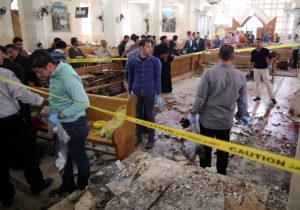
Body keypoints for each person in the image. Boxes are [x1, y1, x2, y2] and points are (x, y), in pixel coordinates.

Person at [29, 50, 90, 197]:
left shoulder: (66, 76)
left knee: (79, 158)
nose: (39, 76)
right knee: (62, 157)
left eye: (39, 71)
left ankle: (82, 188)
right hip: (61, 124)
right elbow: (61, 97)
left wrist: (60, 114)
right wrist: (50, 108)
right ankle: (67, 184)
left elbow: (83, 102)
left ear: (49, 65)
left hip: (73, 125)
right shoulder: (54, 74)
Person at [181, 45, 248, 175]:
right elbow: (243, 101)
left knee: (205, 149)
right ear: (233, 57)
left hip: (207, 121)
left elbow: (200, 98)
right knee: (223, 150)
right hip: (225, 122)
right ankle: (221, 173)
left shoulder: (209, 73)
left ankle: (205, 172)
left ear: (218, 56)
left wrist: (193, 114)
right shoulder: (240, 76)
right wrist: (240, 115)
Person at [0, 68, 53, 207]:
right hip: (9, 122)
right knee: (26, 153)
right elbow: (21, 93)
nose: (1, 55)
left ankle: (5, 196)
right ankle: (37, 184)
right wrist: (42, 101)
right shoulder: (4, 73)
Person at [127, 39, 163, 149]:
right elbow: (130, 77)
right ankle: (138, 137)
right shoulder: (132, 61)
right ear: (141, 47)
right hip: (137, 92)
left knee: (150, 115)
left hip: (149, 92)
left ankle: (151, 139)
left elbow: (157, 78)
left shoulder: (155, 61)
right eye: (148, 46)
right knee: (138, 115)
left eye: (151, 46)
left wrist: (158, 94)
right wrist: (129, 91)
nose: (150, 49)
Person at [250, 39, 277, 104]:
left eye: (259, 42)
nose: (257, 43)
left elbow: (271, 58)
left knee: (267, 83)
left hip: (264, 69)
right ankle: (258, 96)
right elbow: (252, 61)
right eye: (256, 42)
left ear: (261, 43)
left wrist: (269, 65)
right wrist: (250, 68)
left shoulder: (265, 50)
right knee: (257, 83)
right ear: (255, 43)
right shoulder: (253, 51)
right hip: (256, 69)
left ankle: (272, 97)